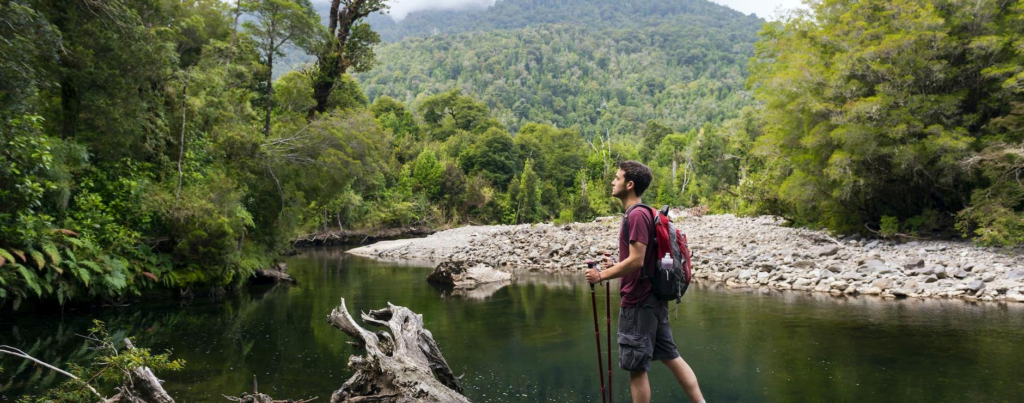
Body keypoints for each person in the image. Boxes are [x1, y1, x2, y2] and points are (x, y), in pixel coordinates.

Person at [585, 160, 705, 403]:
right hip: (654, 299)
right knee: (671, 356)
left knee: (637, 368)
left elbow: (637, 260)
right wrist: (615, 266)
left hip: (639, 302)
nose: (612, 181)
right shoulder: (648, 212)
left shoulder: (636, 214)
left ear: (629, 185)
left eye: (617, 178)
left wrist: (601, 275)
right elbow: (639, 260)